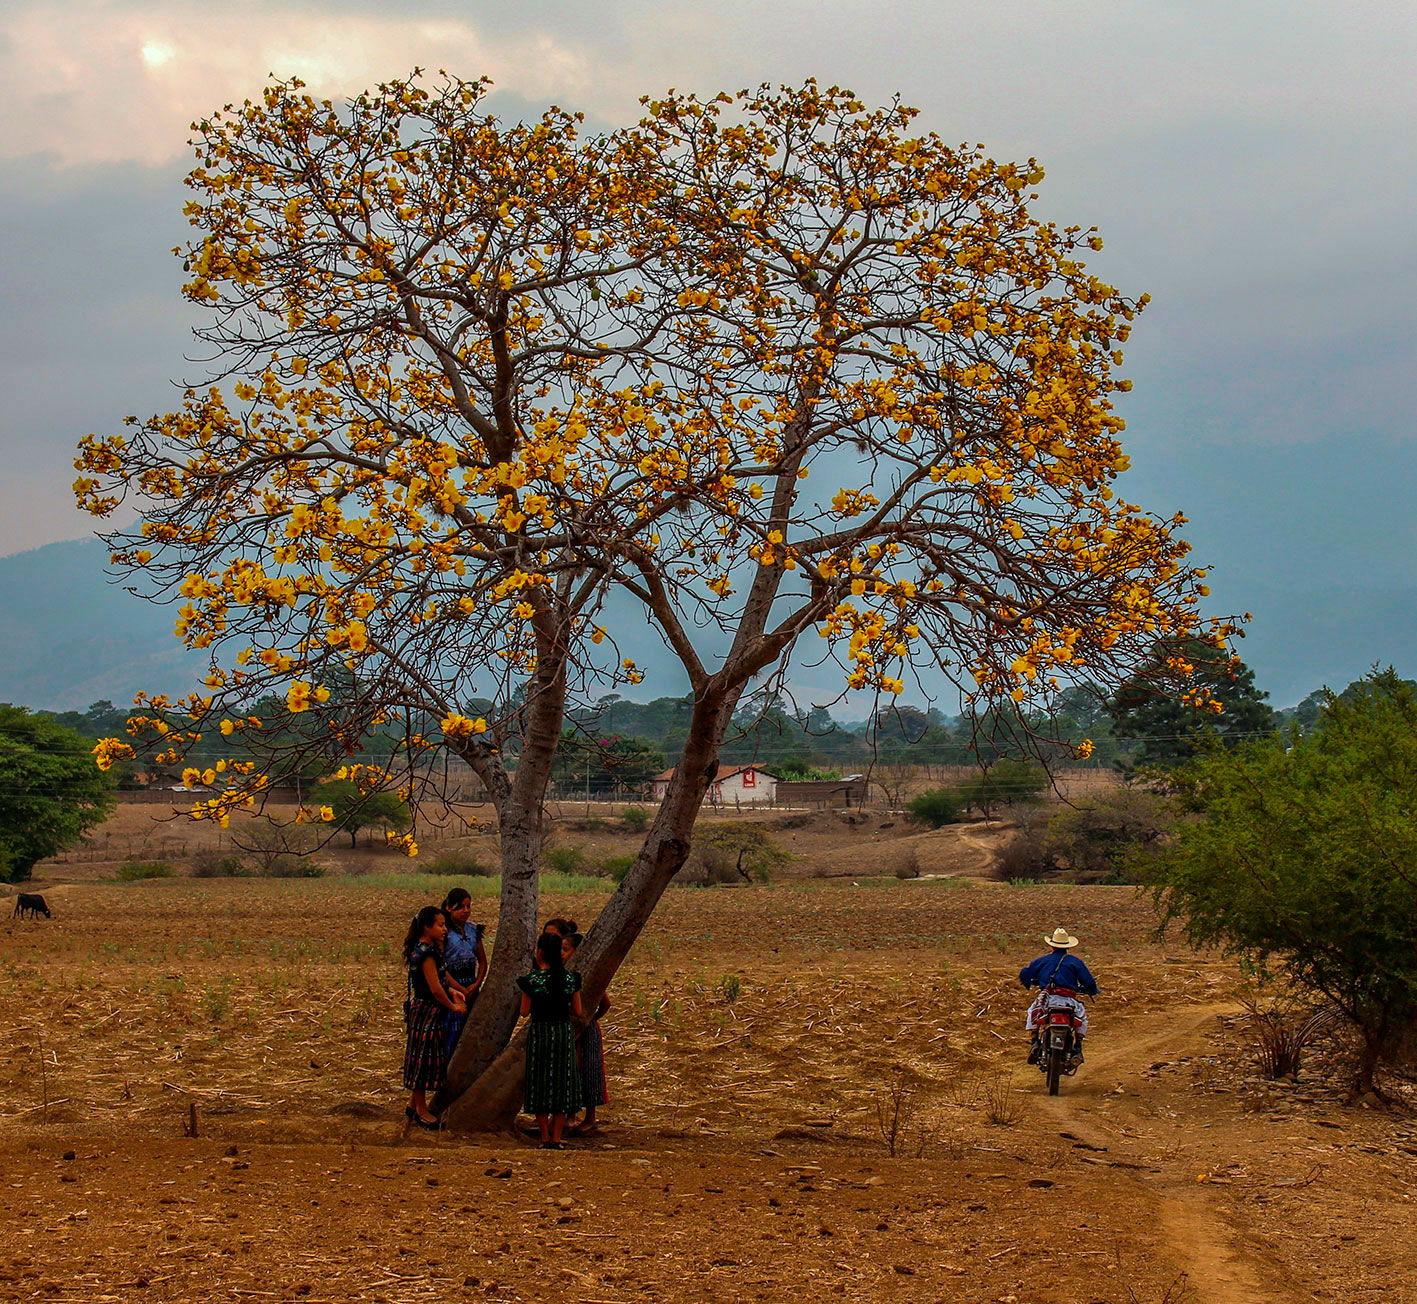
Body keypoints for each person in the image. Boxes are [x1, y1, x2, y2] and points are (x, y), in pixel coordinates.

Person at [516, 931, 584, 1148]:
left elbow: (524, 1012)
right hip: (563, 1032)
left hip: (540, 1033)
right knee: (562, 1082)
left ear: (539, 953)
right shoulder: (570, 978)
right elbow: (578, 1010)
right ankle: (557, 1137)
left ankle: (544, 1137)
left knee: (540, 1082)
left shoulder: (531, 980)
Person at [402, 906, 466, 1128]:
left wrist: (452, 990)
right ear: (427, 927)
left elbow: (440, 983)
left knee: (425, 1057)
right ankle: (421, 1110)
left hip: (427, 1010)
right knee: (422, 1060)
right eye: (440, 925)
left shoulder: (428, 949)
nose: (445, 929)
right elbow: (435, 989)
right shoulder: (426, 954)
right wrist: (453, 1006)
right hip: (427, 1012)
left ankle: (413, 1105)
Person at [1019, 926, 1098, 1064]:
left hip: (1047, 1000)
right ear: (1068, 946)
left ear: (1052, 946)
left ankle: (1034, 1041)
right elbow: (1089, 981)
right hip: (1068, 1001)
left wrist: (1028, 983)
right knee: (1082, 1018)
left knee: (1032, 1012)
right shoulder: (1075, 962)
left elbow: (1025, 973)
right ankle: (1078, 1045)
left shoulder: (1042, 961)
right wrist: (1092, 991)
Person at [561, 932, 610, 1136]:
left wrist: (591, 1018)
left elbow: (606, 1002)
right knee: (571, 1071)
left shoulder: (586, 974)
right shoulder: (564, 972)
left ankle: (590, 1118)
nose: (561, 954)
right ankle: (570, 1114)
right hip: (571, 1027)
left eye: (565, 950)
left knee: (589, 1072)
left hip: (586, 1029)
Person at [441, 888, 488, 1056]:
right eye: (461, 907)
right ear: (449, 908)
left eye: (468, 906)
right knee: (451, 1031)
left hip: (472, 986)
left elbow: (482, 961)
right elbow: (440, 966)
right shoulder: (443, 931)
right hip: (452, 988)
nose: (466, 911)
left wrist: (476, 984)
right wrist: (459, 989)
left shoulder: (473, 930)